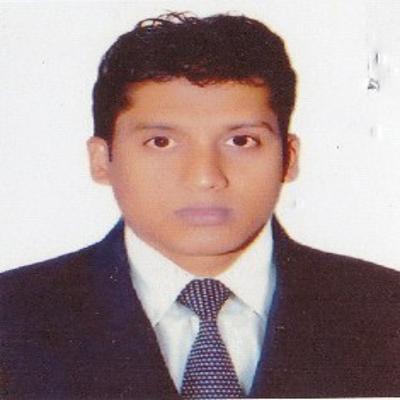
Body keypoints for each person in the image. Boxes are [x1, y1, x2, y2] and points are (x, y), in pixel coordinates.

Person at [0, 12, 399, 400]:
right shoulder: (12, 319)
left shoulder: (385, 309)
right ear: (102, 160)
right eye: (161, 142)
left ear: (289, 158)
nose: (205, 177)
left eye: (241, 141)